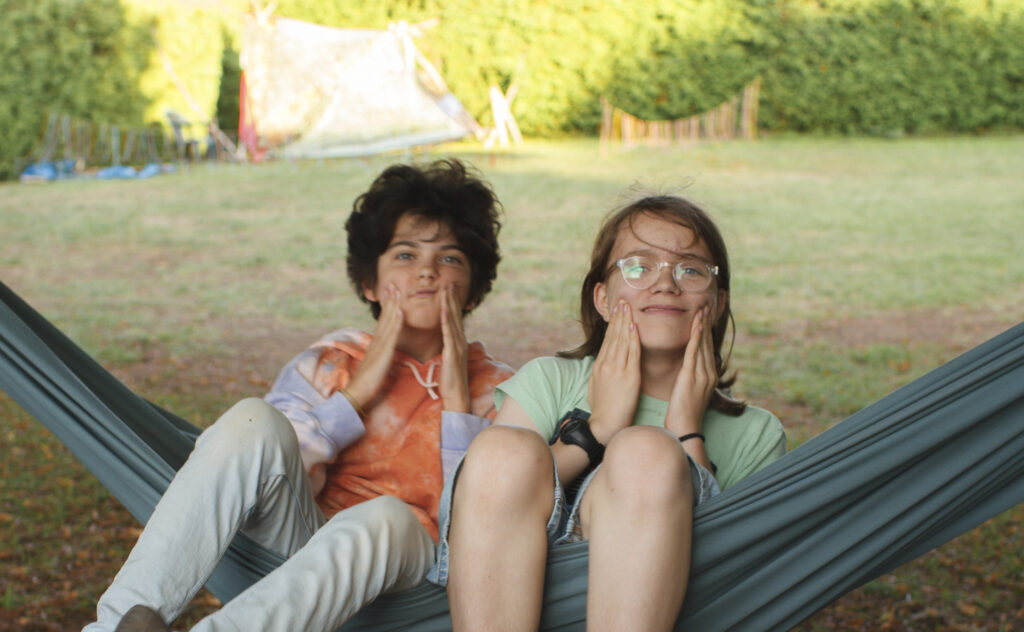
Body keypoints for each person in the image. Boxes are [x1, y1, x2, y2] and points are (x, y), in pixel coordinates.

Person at [92, 159, 515, 632]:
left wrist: (457, 404)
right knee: (253, 418)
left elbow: (484, 533)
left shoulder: (501, 392)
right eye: (405, 255)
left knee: (388, 518)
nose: (428, 273)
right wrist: (356, 396)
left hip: (417, 569)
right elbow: (272, 470)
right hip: (303, 550)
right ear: (369, 284)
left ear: (474, 291)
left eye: (450, 258)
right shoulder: (332, 361)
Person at [431, 194, 787, 631]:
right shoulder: (549, 382)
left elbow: (734, 577)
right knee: (505, 449)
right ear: (602, 298)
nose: (666, 283)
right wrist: (597, 430)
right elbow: (486, 503)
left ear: (715, 304)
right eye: (638, 266)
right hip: (514, 586)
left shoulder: (756, 433)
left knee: (647, 451)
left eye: (691, 269)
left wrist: (687, 434)